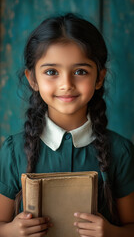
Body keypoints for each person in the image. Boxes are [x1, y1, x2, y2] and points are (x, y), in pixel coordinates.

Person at [0, 13, 134, 237]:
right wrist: (12, 231)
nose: (66, 84)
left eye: (80, 72)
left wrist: (111, 232)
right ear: (32, 79)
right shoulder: (13, 150)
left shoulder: (120, 151)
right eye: (51, 72)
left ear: (99, 78)